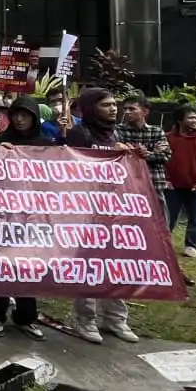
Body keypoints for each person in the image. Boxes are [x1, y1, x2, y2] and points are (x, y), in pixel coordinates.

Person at [63, 87, 139, 344]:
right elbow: (68, 169)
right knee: (90, 266)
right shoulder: (79, 133)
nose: (113, 108)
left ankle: (116, 319)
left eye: (114, 104)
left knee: (116, 265)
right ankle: (85, 319)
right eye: (106, 105)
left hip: (114, 210)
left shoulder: (115, 133)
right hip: (87, 212)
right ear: (91, 108)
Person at [0, 96, 50, 340]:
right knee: (4, 266)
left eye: (26, 115)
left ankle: (26, 317)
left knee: (29, 267)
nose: (20, 119)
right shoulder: (1, 141)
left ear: (34, 117)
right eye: (16, 115)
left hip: (34, 216)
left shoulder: (46, 145)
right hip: (5, 215)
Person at [118, 95, 171, 215]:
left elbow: (165, 156)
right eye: (125, 109)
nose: (127, 112)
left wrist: (146, 155)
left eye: (132, 109)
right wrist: (150, 152)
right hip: (128, 185)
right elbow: (118, 155)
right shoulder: (118, 130)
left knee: (160, 221)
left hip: (154, 184)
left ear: (145, 112)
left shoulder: (156, 131)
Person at [166, 104, 196, 261]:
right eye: (191, 117)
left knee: (195, 216)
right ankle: (164, 242)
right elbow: (164, 161)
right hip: (173, 185)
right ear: (180, 120)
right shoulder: (169, 137)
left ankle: (191, 245)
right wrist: (166, 179)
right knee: (169, 216)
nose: (195, 120)